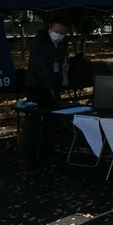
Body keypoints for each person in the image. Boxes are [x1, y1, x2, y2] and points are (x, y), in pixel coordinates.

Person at [20, 18, 70, 170]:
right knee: (33, 122)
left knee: (52, 121)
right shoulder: (39, 42)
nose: (59, 35)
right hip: (37, 86)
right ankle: (29, 158)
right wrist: (49, 88)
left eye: (62, 33)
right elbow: (38, 67)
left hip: (54, 84)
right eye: (56, 31)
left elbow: (61, 63)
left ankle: (46, 153)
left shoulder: (62, 43)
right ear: (50, 27)